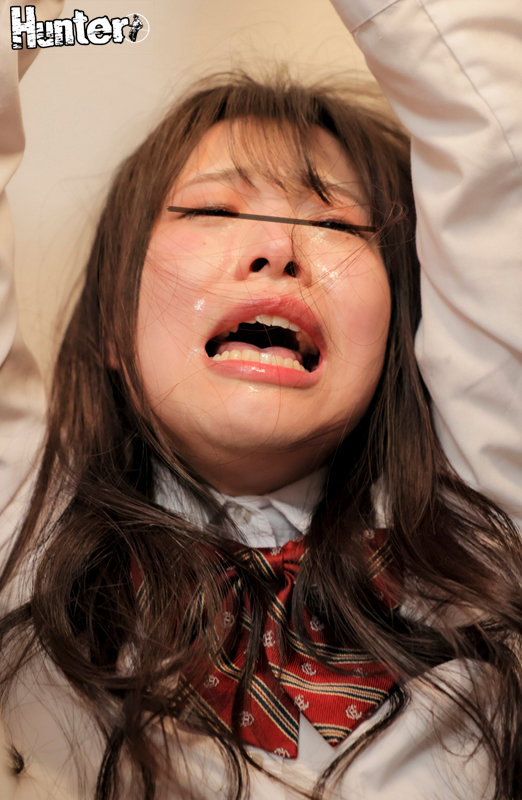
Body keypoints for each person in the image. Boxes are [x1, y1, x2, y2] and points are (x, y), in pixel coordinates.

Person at [0, 1, 521, 799]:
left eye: (338, 225)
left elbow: (498, 151)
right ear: (111, 322)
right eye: (212, 210)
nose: (278, 249)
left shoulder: (483, 541)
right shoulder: (26, 530)